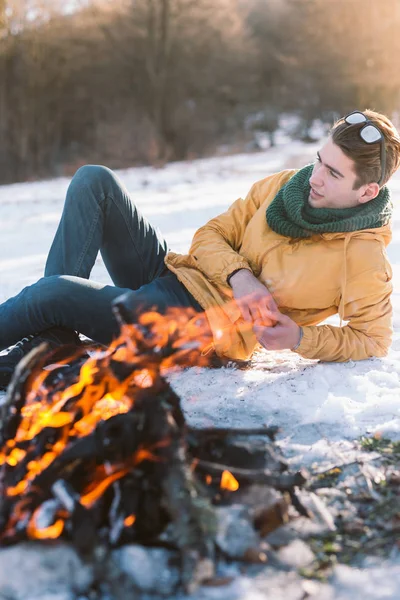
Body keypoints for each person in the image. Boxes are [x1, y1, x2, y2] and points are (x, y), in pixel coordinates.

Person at [1, 109, 400, 390]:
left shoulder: (363, 257)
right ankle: (52, 344)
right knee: (94, 181)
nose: (315, 177)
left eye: (333, 173)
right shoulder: (284, 186)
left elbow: (372, 338)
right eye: (319, 160)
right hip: (179, 276)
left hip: (201, 331)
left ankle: (47, 343)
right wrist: (240, 276)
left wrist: (299, 337)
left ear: (367, 191)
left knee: (51, 293)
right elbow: (210, 234)